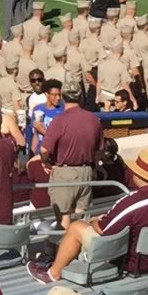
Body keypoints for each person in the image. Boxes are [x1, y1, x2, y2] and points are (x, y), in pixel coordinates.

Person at [30, 148, 148, 284]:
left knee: (76, 227)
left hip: (131, 263)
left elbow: (104, 230)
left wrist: (95, 221)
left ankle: (53, 274)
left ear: (138, 175)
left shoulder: (133, 202)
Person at [38, 87, 103, 227]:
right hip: (86, 172)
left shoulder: (60, 120)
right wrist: (94, 166)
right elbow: (99, 150)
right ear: (80, 98)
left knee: (63, 218)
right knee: (81, 219)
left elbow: (44, 149)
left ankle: (64, 247)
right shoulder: (93, 118)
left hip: (65, 173)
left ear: (62, 98)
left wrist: (45, 162)